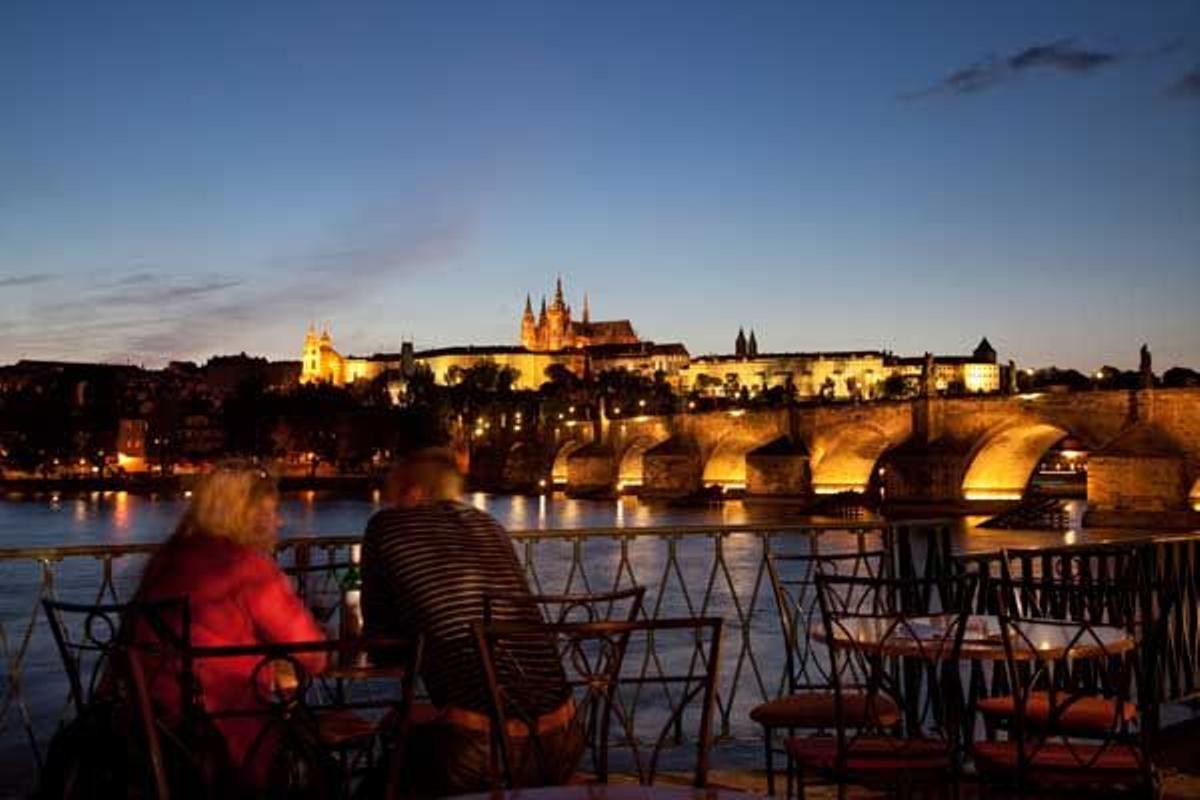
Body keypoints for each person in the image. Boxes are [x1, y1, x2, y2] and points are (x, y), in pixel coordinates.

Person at [362, 446, 582, 796]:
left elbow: (380, 644)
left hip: (480, 752)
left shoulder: (387, 526)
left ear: (413, 490)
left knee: (389, 755)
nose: (389, 501)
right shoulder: (488, 525)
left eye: (393, 491)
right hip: (565, 738)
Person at [131, 466, 327, 791]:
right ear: (244, 514)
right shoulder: (247, 568)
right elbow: (313, 655)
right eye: (270, 510)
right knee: (312, 750)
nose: (278, 521)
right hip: (223, 730)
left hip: (148, 722)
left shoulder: (167, 559)